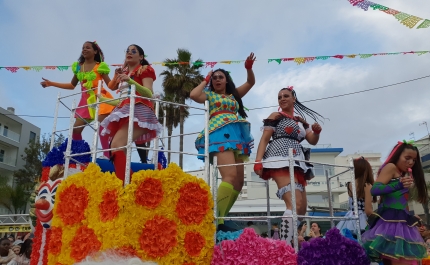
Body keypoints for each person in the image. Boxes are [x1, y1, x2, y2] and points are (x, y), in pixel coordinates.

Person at [190, 53, 256, 232]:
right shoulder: (209, 95)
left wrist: (248, 68)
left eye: (221, 77)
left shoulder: (234, 95)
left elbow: (250, 83)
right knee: (230, 176)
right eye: (214, 78)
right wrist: (205, 80)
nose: (217, 79)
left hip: (237, 135)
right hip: (219, 134)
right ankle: (215, 218)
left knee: (239, 182)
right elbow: (194, 94)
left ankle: (222, 216)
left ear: (227, 80)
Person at [254, 86, 324, 244]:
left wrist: (317, 132)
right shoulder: (276, 116)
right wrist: (258, 162)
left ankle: (288, 242)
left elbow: (311, 139)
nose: (282, 99)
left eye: (286, 95)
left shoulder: (300, 121)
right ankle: (283, 247)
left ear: (294, 98)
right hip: (279, 158)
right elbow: (264, 139)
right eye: (279, 97)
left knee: (301, 209)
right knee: (294, 203)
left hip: (298, 161)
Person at [99, 44, 162, 183]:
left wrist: (131, 81)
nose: (129, 53)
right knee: (119, 148)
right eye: (127, 50)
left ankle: (130, 185)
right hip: (126, 112)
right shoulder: (125, 74)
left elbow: (149, 94)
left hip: (140, 111)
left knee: (116, 144)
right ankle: (128, 185)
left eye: (134, 51)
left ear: (141, 57)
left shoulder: (145, 70)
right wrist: (102, 99)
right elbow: (123, 102)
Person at [40, 41, 114, 158]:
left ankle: (107, 155)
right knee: (76, 129)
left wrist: (119, 78)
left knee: (102, 125)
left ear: (95, 51)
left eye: (88, 48)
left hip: (99, 99)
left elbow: (110, 84)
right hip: (85, 101)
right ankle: (79, 155)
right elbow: (71, 85)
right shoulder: (79, 67)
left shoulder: (100, 66)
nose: (84, 49)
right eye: (83, 48)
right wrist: (51, 83)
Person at [362, 141, 428, 264]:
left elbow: (402, 201)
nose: (411, 162)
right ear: (397, 155)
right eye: (407, 158)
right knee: (399, 260)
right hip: (390, 224)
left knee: (407, 260)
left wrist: (411, 217)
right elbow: (375, 190)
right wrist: (398, 185)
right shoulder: (390, 167)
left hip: (402, 222)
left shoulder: (403, 174)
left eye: (414, 160)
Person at [336, 157, 376, 237]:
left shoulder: (350, 185)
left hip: (349, 218)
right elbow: (368, 210)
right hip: (362, 220)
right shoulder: (367, 186)